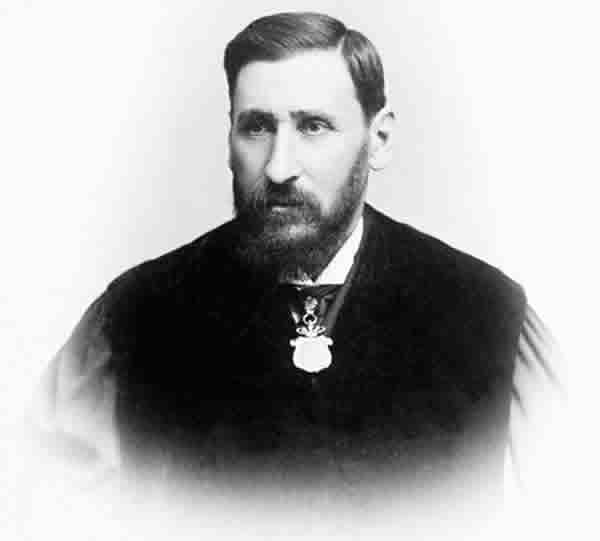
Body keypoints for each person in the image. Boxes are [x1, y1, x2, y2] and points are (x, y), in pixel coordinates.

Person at [31, 11, 559, 525]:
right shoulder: (132, 317)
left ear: (378, 140)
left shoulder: (489, 315)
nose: (279, 167)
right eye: (257, 127)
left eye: (314, 127)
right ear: (230, 140)